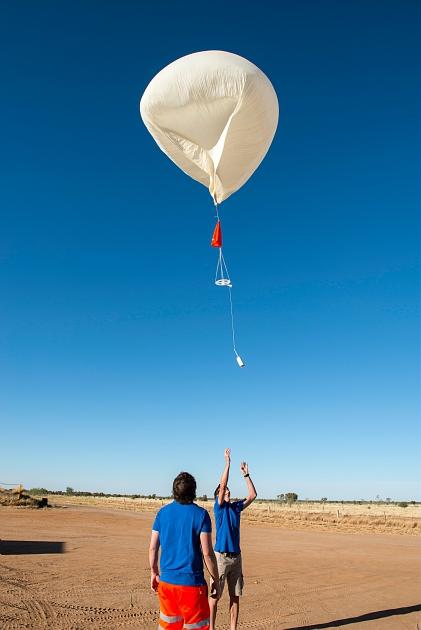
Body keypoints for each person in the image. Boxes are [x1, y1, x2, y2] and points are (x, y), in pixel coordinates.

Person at [149, 471, 221, 630]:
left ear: (174, 491)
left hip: (167, 584)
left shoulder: (162, 513)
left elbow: (153, 547)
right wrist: (216, 579)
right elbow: (207, 553)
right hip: (192, 587)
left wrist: (154, 572)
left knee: (169, 625)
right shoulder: (201, 515)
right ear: (193, 492)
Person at [209, 449, 257, 630]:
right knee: (214, 596)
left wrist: (246, 475)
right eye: (224, 490)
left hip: (236, 557)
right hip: (220, 558)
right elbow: (222, 486)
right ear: (218, 496)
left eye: (228, 490)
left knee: (235, 596)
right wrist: (227, 463)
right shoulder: (219, 508)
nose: (227, 491)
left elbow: (252, 495)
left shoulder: (236, 507)